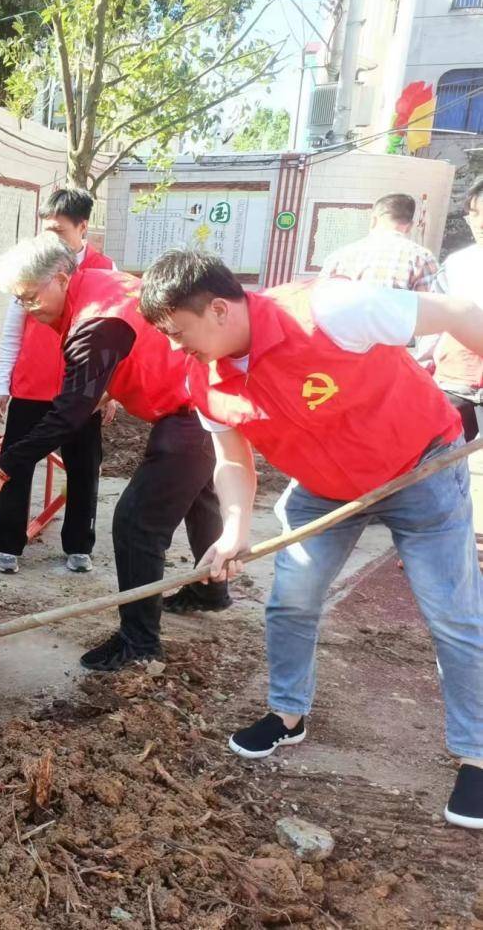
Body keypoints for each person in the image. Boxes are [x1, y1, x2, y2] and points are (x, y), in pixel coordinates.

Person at [138, 248, 483, 830]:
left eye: (178, 332)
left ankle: (476, 752)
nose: (175, 347)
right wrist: (235, 530)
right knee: (291, 600)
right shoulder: (205, 378)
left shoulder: (331, 310)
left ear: (219, 309)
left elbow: (453, 311)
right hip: (325, 490)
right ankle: (287, 715)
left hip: (419, 466)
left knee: (451, 613)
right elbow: (232, 460)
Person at [0, 234, 228, 671]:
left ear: (60, 278)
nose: (28, 309)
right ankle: (210, 589)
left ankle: (139, 643)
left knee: (136, 522)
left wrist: (2, 467)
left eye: (32, 298)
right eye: (19, 302)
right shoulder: (99, 281)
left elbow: (67, 415)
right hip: (197, 393)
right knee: (200, 498)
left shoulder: (93, 322)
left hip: (192, 407)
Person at [0, 188, 115, 576]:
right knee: (17, 464)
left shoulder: (102, 269)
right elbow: (13, 329)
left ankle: (79, 545)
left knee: (82, 469)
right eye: (46, 229)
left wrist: (111, 391)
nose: (52, 237)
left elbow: (116, 336)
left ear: (83, 228)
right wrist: (3, 383)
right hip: (31, 386)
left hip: (82, 392)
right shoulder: (31, 264)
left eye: (59, 230)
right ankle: (7, 544)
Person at [318, 192, 440, 365]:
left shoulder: (341, 255)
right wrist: (419, 364)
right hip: (388, 360)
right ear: (410, 225)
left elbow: (316, 305)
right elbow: (432, 316)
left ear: (373, 219)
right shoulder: (421, 258)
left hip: (339, 355)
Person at [432, 176, 483, 439]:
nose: (479, 223)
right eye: (474, 213)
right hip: (455, 382)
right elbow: (434, 325)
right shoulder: (457, 263)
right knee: (444, 461)